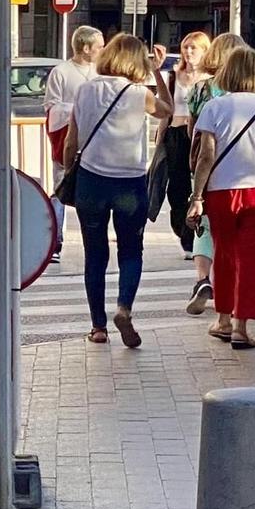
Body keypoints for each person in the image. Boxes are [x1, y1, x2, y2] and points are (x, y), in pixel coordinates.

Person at [64, 33, 169, 347]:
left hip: (91, 183)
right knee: (131, 250)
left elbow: (72, 141)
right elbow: (168, 109)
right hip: (130, 184)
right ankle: (124, 307)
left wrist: (71, 170)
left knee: (94, 255)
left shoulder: (85, 90)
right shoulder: (140, 94)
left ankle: (98, 327)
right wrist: (158, 73)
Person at [187, 47, 255, 349]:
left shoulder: (214, 108)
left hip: (222, 190)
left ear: (227, 73)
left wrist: (196, 195)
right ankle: (242, 328)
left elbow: (206, 156)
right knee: (253, 258)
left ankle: (223, 320)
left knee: (226, 254)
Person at [179, 31, 246, 314]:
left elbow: (191, 131)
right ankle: (232, 287)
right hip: (241, 166)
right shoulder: (251, 92)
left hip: (208, 164)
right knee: (235, 229)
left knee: (203, 223)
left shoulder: (200, 90)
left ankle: (203, 279)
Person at [44, 26, 103, 265]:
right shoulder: (61, 72)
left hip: (95, 142)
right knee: (62, 189)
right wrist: (78, 108)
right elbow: (51, 106)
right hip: (68, 139)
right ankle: (55, 242)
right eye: (99, 46)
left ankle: (94, 241)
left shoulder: (101, 71)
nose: (103, 50)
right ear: (85, 48)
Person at [157, 32, 211, 263]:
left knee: (198, 187)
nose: (189, 53)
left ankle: (194, 236)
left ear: (205, 51)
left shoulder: (210, 79)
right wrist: (159, 141)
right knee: (176, 189)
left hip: (199, 136)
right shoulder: (173, 76)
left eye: (194, 48)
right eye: (186, 48)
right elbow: (165, 109)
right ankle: (183, 232)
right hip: (176, 134)